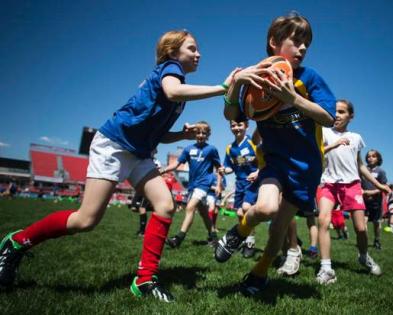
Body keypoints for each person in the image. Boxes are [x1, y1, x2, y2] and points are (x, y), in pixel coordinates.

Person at [0, 30, 237, 302]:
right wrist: (222, 88)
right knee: (85, 220)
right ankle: (16, 243)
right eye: (192, 48)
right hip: (114, 145)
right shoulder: (170, 72)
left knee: (166, 205)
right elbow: (172, 91)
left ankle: (145, 280)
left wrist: (181, 136)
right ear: (173, 52)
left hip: (139, 152)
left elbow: (157, 132)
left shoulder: (179, 93)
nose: (199, 54)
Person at [215, 12, 337, 296]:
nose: (303, 48)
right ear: (274, 42)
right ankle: (238, 232)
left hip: (306, 167)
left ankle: (258, 274)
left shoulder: (309, 78)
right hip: (274, 161)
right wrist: (236, 85)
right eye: (296, 41)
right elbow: (231, 113)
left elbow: (329, 117)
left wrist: (292, 99)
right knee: (267, 208)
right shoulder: (256, 77)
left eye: (306, 42)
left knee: (278, 230)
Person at [316, 100, 390, 285]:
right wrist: (334, 144)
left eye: (342, 112)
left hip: (352, 185)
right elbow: (317, 153)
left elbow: (359, 165)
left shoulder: (356, 137)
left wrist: (378, 185)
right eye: (335, 112)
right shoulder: (324, 132)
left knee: (361, 228)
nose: (337, 115)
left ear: (351, 116)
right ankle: (326, 268)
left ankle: (364, 256)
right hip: (328, 183)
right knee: (323, 221)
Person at [165, 121, 223, 248]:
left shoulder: (212, 149)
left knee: (190, 207)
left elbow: (220, 168)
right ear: (194, 133)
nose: (201, 135)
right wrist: (164, 169)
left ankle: (178, 239)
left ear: (208, 135)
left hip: (204, 185)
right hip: (192, 185)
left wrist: (218, 184)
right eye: (198, 132)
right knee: (203, 213)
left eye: (204, 133)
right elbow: (176, 164)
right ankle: (213, 238)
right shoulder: (188, 149)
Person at [221, 120, 259, 257]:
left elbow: (263, 159)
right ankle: (246, 237)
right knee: (239, 214)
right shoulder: (230, 148)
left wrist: (257, 172)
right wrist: (224, 170)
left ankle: (250, 241)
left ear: (247, 126)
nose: (236, 128)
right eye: (233, 125)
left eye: (239, 125)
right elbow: (230, 167)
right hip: (239, 183)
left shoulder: (252, 142)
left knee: (246, 207)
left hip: (253, 182)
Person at [361, 150, 388, 249]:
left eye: (373, 156)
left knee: (376, 222)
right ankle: (365, 241)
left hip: (376, 201)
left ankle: (377, 239)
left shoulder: (381, 172)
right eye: (368, 156)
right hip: (364, 201)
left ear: (378, 158)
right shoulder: (362, 170)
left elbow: (384, 187)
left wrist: (371, 192)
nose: (370, 158)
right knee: (363, 222)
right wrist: (362, 191)